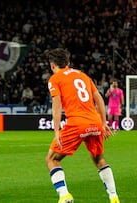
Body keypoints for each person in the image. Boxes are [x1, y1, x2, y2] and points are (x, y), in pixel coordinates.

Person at [45, 48, 119, 203]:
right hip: (95, 122)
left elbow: (57, 105)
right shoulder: (83, 75)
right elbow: (98, 98)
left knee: (52, 159)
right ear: (68, 63)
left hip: (77, 123)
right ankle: (114, 197)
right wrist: (103, 123)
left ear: (52, 66)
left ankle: (64, 195)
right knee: (99, 159)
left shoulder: (55, 79)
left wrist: (57, 130)